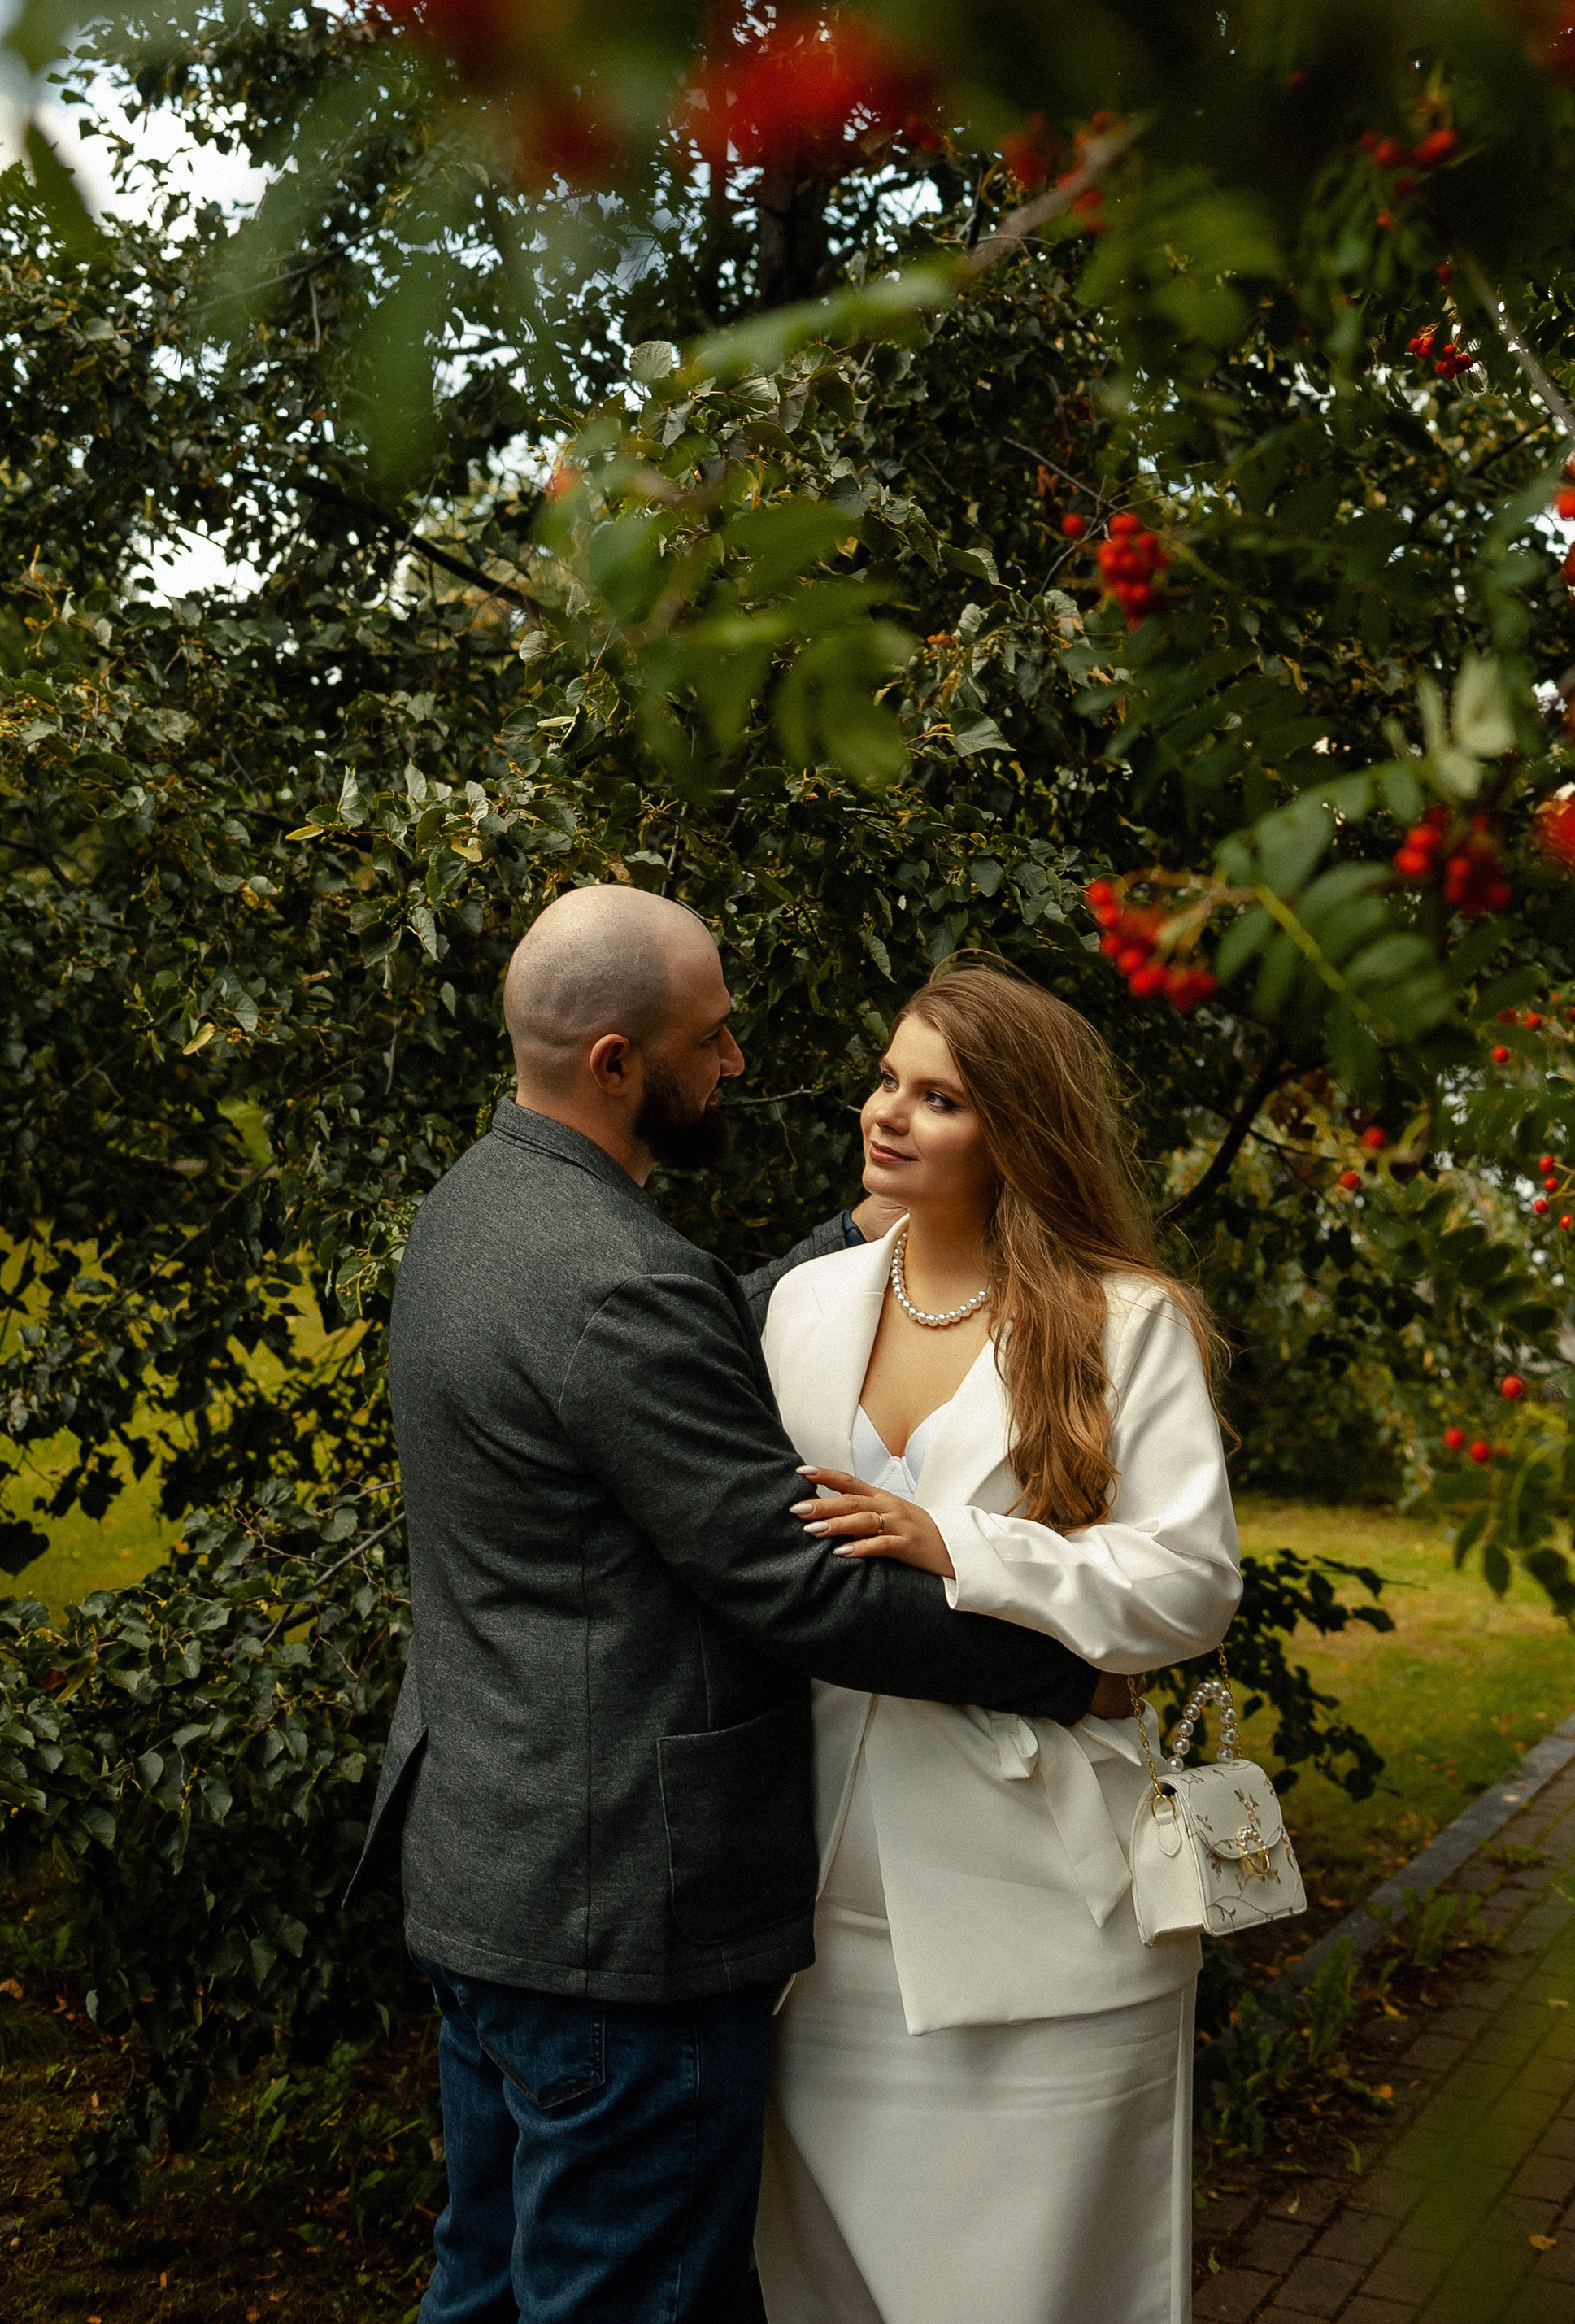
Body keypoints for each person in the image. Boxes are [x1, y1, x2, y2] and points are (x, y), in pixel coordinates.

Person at [352, 885, 1107, 2324]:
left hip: (486, 1870)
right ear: (618, 1065)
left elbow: (654, 1368)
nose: (738, 1064)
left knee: (487, 2289)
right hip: (620, 1917)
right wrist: (1069, 1672)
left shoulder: (481, 1206)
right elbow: (796, 1590)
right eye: (713, 1038)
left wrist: (853, 1231)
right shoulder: (613, 1281)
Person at [755, 957, 1241, 2324]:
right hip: (812, 1908)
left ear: (1016, 1129)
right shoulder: (806, 1307)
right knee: (820, 2290)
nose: (888, 1115)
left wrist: (960, 1542)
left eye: (941, 1098)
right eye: (888, 1081)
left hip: (1044, 1907)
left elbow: (1189, 1586)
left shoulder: (1121, 1320)